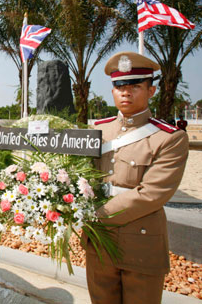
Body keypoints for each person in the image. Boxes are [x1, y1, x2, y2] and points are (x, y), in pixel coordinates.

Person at [87, 51, 189, 304]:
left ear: (151, 90)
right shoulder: (98, 130)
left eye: (135, 86)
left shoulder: (169, 138)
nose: (126, 92)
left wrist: (92, 216)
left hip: (140, 244)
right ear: (113, 91)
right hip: (99, 242)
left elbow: (151, 194)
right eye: (119, 86)